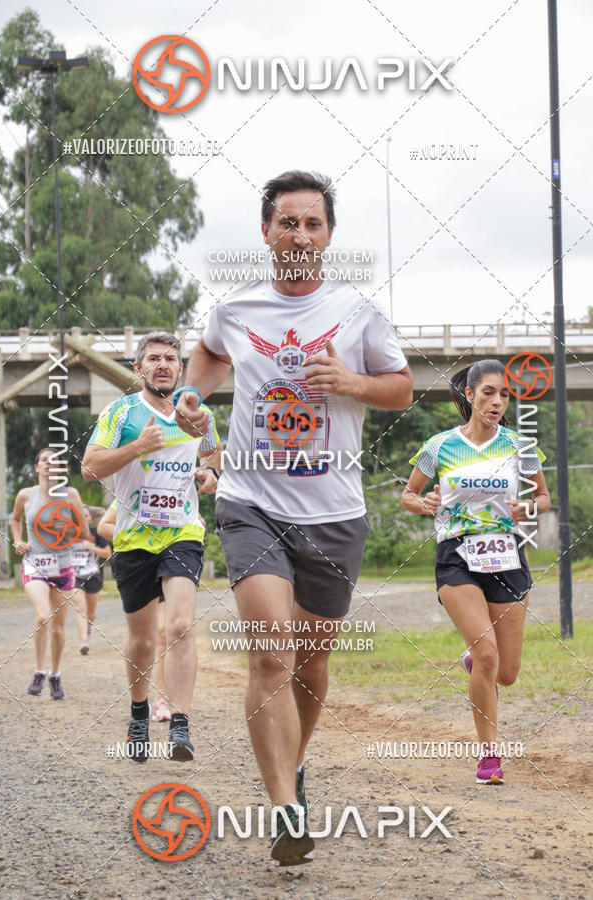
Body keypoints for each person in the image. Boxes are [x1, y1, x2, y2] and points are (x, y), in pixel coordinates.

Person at [175, 170, 412, 864]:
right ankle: (283, 810)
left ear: (329, 235)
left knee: (310, 668)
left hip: (335, 512)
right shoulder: (238, 306)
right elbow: (212, 355)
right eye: (288, 222)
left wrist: (352, 382)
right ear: (266, 231)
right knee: (273, 652)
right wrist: (192, 395)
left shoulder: (359, 311)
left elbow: (399, 388)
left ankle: (293, 764)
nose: (301, 235)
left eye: (313, 224)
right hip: (251, 502)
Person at [401, 359, 550, 785]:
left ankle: (475, 662)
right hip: (457, 556)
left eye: (504, 394)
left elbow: (543, 498)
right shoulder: (439, 446)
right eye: (488, 392)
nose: (498, 401)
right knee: (488, 654)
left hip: (507, 557)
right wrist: (424, 503)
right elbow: (409, 496)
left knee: (506, 672)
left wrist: (529, 507)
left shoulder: (520, 447)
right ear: (469, 396)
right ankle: (489, 754)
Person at [82, 331, 222, 761]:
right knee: (142, 642)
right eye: (154, 359)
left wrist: (211, 475)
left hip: (182, 532)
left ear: (181, 368)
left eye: (171, 359)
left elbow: (213, 458)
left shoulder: (200, 415)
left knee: (179, 625)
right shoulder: (120, 412)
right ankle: (139, 714)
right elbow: (89, 467)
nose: (163, 364)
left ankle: (180, 725)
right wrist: (138, 446)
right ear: (140, 368)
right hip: (132, 539)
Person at [10, 448, 88, 700]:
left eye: (54, 461)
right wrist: (18, 541)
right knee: (43, 616)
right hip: (34, 564)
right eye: (44, 460)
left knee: (57, 628)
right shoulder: (25, 495)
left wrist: (67, 529)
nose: (48, 464)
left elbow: (84, 531)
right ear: (36, 467)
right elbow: (15, 519)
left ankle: (55, 675)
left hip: (63, 567)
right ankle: (39, 671)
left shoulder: (70, 495)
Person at [98, 501, 170, 722]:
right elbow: (103, 527)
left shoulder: (178, 485)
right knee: (144, 640)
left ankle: (162, 700)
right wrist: (141, 533)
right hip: (140, 564)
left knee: (165, 633)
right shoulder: (131, 491)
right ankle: (140, 703)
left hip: (169, 563)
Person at [72, 506, 111, 654]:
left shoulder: (96, 533)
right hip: (74, 575)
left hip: (92, 574)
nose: (82, 517)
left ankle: (88, 630)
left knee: (91, 612)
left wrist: (91, 547)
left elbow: (108, 553)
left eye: (85, 515)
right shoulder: (68, 533)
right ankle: (83, 642)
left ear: (89, 518)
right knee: (80, 607)